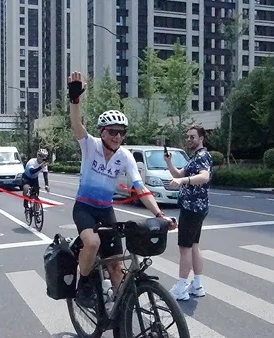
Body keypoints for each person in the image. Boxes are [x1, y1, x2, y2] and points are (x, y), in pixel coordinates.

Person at [67, 71, 177, 308]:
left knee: (116, 265)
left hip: (106, 210)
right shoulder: (90, 146)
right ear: (102, 132)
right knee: (93, 243)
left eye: (121, 132)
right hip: (84, 208)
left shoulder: (125, 156)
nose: (117, 136)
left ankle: (123, 315)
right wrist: (75, 99)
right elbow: (76, 124)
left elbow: (141, 188)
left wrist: (159, 214)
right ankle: (84, 283)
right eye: (112, 131)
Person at [166, 124, 212, 301]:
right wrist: (169, 162)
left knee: (184, 248)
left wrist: (183, 181)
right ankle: (197, 284)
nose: (189, 140)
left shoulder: (202, 156)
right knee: (193, 245)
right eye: (188, 137)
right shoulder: (196, 157)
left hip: (192, 208)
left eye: (192, 137)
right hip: (196, 208)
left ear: (201, 138)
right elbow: (178, 173)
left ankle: (181, 287)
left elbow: (204, 177)